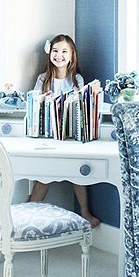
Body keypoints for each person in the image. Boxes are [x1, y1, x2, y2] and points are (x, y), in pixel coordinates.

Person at [28, 34, 100, 228]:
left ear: (71, 56)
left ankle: (84, 212)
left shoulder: (76, 79)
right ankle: (29, 211)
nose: (59, 55)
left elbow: (82, 105)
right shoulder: (44, 79)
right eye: (55, 51)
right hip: (50, 135)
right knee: (45, 176)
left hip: (70, 135)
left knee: (78, 175)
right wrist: (45, 99)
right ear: (50, 53)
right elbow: (35, 103)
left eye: (64, 52)